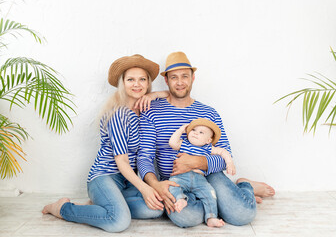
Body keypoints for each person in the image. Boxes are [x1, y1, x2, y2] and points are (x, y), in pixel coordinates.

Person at [137, 51, 275, 228]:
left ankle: (244, 185)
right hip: (174, 181)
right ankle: (225, 200)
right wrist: (155, 184)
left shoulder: (208, 113)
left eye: (185, 76)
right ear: (167, 81)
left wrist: (196, 162)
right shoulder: (151, 111)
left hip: (209, 176)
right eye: (174, 77)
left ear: (193, 78)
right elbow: (144, 157)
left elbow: (226, 156)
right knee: (187, 218)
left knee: (242, 215)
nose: (180, 82)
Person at [42, 54, 168, 232]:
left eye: (142, 80)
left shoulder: (145, 112)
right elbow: (122, 161)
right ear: (122, 83)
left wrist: (155, 94)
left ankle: (102, 205)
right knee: (118, 221)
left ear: (148, 83)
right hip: (104, 177)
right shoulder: (118, 114)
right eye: (130, 79)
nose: (137, 84)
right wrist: (145, 188)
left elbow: (172, 95)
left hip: (127, 182)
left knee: (157, 209)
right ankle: (62, 209)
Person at [168, 118, 235, 227]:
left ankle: (211, 217)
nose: (195, 133)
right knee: (173, 185)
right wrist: (181, 130)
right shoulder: (184, 143)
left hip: (199, 179)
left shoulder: (208, 148)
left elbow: (223, 152)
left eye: (201, 132)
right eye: (193, 129)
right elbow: (172, 143)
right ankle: (180, 199)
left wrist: (229, 163)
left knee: (210, 193)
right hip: (181, 177)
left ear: (208, 140)